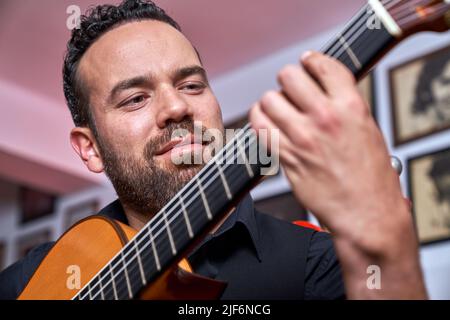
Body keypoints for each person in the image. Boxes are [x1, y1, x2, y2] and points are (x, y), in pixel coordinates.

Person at [0, 0, 426, 300]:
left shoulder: (319, 264)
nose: (177, 107)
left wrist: (383, 245)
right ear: (89, 149)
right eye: (135, 98)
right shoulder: (28, 280)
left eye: (191, 85)